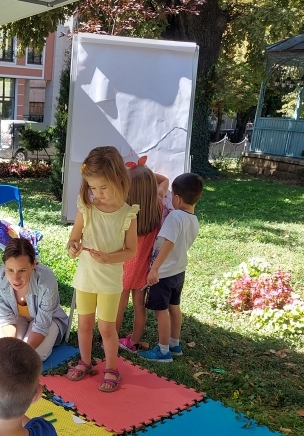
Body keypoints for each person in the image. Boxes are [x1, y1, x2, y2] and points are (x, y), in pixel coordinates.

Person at [65, 146, 139, 392]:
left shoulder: (128, 214)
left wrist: (109, 258)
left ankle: (111, 368)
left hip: (109, 280)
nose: (97, 193)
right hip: (85, 278)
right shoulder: (86, 208)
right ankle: (85, 361)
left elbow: (131, 250)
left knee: (106, 327)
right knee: (84, 325)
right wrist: (73, 248)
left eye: (103, 188)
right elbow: (73, 239)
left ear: (119, 180)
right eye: (92, 188)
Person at [141, 173, 203, 363]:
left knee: (161, 312)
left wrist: (155, 269)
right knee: (174, 307)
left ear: (176, 198)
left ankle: (163, 350)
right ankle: (174, 344)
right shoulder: (193, 219)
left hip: (164, 273)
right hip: (178, 271)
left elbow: (168, 242)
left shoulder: (175, 216)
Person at [116, 165, 170, 352]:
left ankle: (110, 338)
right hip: (144, 268)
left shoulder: (125, 212)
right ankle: (134, 341)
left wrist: (128, 173)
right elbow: (164, 180)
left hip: (124, 267)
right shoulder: (158, 203)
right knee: (139, 306)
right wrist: (146, 174)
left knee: (119, 306)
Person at [0, 238, 69, 361]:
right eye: (10, 270)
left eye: (22, 270)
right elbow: (6, 318)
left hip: (47, 319)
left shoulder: (46, 281)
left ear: (34, 264)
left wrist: (23, 351)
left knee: (34, 355)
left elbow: (42, 324)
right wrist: (10, 345)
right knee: (3, 350)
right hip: (16, 317)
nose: (16, 278)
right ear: (4, 265)